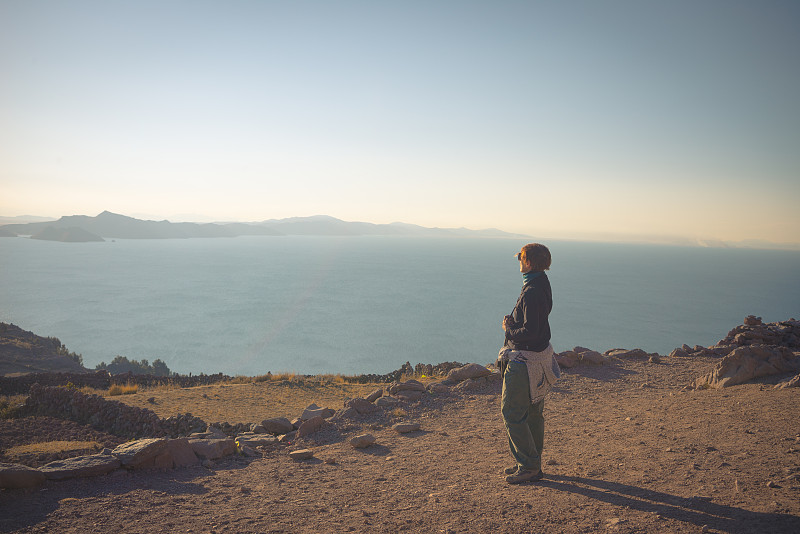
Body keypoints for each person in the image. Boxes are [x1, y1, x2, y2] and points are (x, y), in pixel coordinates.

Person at [499, 242, 556, 484]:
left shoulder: (531, 290)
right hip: (540, 360)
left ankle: (529, 465)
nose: (519, 262)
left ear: (529, 262)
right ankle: (531, 462)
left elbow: (530, 331)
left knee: (512, 412)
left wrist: (509, 329)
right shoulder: (541, 282)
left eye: (520, 258)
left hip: (524, 361)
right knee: (533, 413)